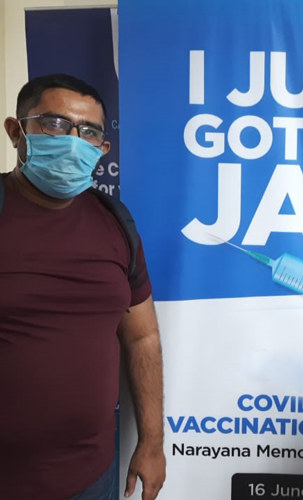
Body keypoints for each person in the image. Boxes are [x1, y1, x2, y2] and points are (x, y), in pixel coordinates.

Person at [0, 74, 166, 500]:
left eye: (89, 132)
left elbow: (143, 337)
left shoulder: (116, 223)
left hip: (90, 477)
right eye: (55, 124)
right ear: (17, 132)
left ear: (102, 149)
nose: (74, 142)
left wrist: (151, 443)